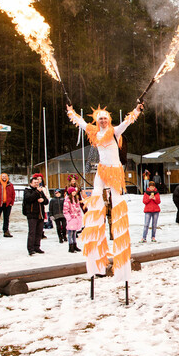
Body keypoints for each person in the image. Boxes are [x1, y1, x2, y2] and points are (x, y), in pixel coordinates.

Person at [67, 103, 142, 281]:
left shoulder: (114, 131)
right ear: (97, 120)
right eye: (100, 118)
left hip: (115, 170)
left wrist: (137, 110)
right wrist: (71, 112)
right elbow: (81, 123)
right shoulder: (94, 132)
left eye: (105, 118)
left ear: (108, 120)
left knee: (116, 198)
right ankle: (95, 223)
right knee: (96, 194)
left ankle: (118, 233)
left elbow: (127, 122)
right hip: (102, 169)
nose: (102, 120)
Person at [23, 175, 46, 256]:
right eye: (35, 182)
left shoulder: (40, 190)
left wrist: (43, 200)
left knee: (39, 232)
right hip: (32, 214)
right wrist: (37, 192)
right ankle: (30, 248)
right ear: (30, 183)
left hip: (40, 214)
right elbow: (29, 198)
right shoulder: (27, 190)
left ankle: (37, 247)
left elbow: (46, 201)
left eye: (37, 182)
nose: (36, 184)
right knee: (32, 232)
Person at [0, 172, 15, 238]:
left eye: (5, 176)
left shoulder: (10, 185)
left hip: (7, 204)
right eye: (3, 176)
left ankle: (6, 231)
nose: (4, 177)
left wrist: (11, 202)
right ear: (0, 177)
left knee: (6, 218)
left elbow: (13, 194)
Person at [63, 187, 83, 253]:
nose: (74, 193)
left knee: (74, 232)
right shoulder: (67, 200)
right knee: (70, 233)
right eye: (73, 191)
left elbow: (78, 208)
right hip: (71, 218)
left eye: (75, 191)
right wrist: (69, 218)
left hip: (76, 218)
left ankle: (75, 245)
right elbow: (65, 210)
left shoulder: (76, 199)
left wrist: (79, 215)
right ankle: (70, 246)